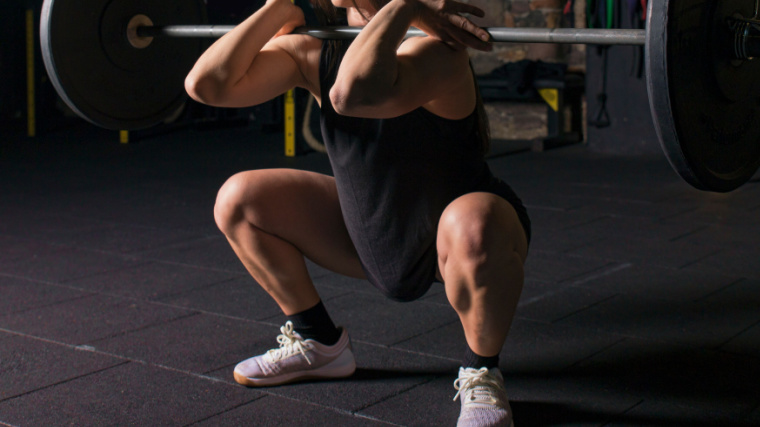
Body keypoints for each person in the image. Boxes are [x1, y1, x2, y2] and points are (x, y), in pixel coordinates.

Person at [185, 0, 530, 425]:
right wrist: (279, 8)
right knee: (239, 199)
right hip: (370, 228)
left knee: (475, 224)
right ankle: (318, 343)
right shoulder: (316, 51)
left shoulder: (438, 48)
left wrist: (408, 6)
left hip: (457, 242)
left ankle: (481, 370)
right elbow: (207, 85)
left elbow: (353, 93)